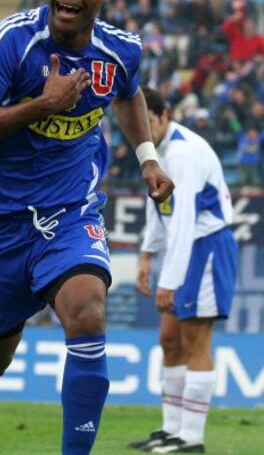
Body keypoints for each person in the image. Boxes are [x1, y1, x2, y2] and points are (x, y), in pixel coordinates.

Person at [0, 0, 174, 455]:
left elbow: (129, 91)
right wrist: (41, 104)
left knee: (88, 312)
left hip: (70, 210)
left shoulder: (120, 50)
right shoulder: (9, 42)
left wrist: (148, 159)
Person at [129, 87, 237, 454]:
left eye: (149, 122)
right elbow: (157, 206)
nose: (144, 130)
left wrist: (168, 281)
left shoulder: (185, 154)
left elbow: (184, 220)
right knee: (169, 340)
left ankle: (192, 438)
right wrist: (146, 254)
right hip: (184, 247)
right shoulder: (154, 152)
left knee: (195, 342)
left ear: (164, 115)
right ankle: (170, 430)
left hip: (206, 247)